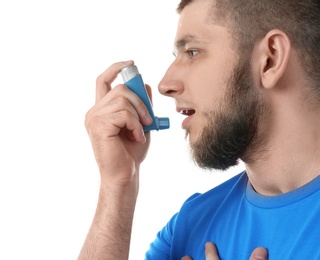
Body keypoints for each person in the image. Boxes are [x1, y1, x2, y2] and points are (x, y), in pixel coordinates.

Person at [78, 0, 320, 259]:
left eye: (192, 52)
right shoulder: (190, 225)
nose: (165, 85)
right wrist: (119, 183)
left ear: (270, 59)